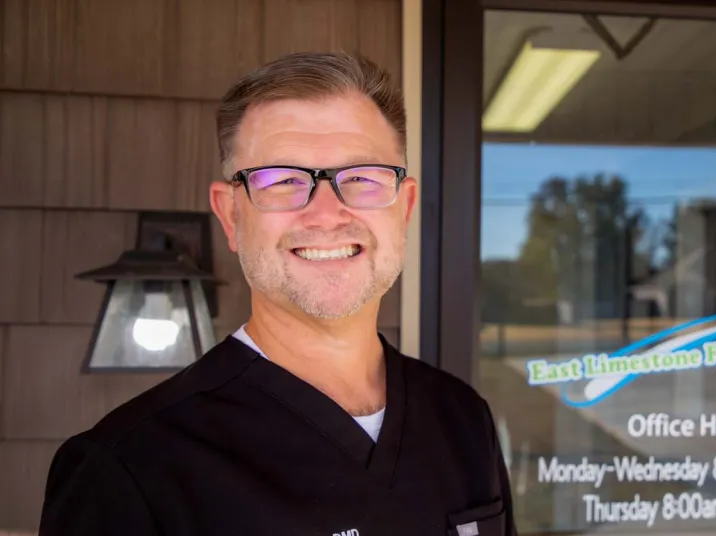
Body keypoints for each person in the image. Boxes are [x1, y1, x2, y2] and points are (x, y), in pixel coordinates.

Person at [38, 52, 517, 536]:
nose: (327, 214)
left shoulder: (462, 420)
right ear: (231, 215)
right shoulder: (130, 468)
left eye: (361, 178)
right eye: (283, 180)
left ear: (405, 206)